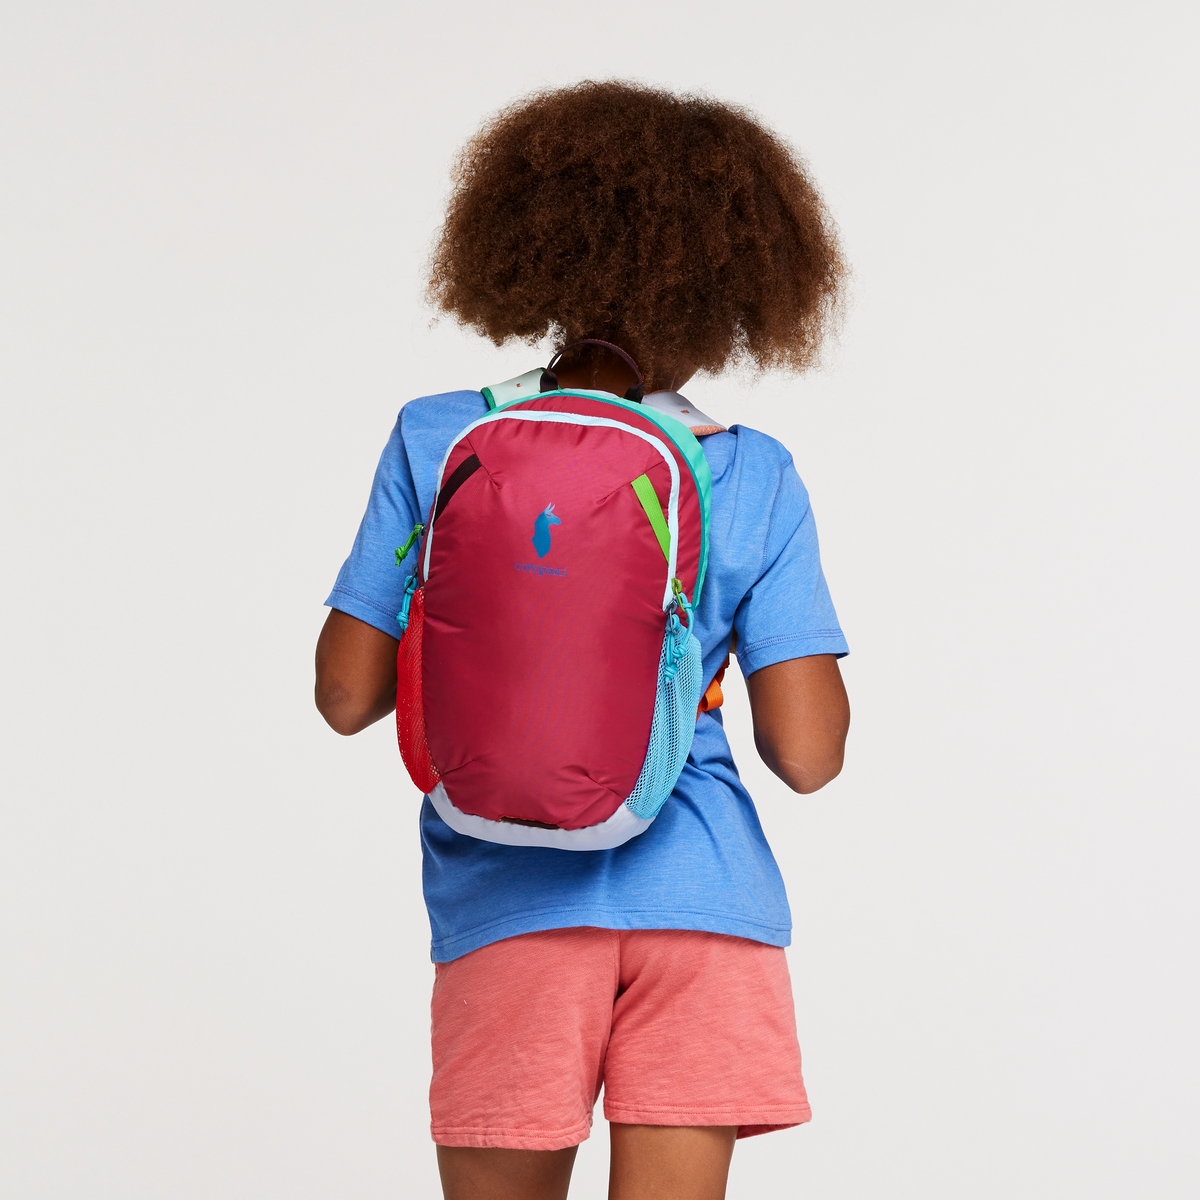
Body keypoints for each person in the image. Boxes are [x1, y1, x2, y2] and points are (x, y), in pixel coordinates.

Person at [315, 81, 850, 1200]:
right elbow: (807, 755)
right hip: (706, 907)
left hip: (506, 901)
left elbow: (346, 696)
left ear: (536, 255)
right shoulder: (751, 469)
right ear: (736, 289)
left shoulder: (440, 436)